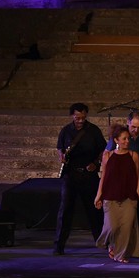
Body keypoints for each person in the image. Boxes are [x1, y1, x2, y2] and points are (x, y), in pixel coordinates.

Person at [54, 102, 106, 255]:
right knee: (65, 211)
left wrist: (95, 163)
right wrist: (61, 157)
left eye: (83, 118)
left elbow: (103, 149)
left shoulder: (93, 131)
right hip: (70, 175)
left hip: (88, 175)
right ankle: (59, 245)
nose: (80, 121)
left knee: (94, 210)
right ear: (72, 116)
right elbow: (59, 148)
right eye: (77, 118)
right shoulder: (66, 131)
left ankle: (101, 242)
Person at [94, 124, 139, 263]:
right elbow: (104, 177)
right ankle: (106, 243)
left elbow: (137, 177)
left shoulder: (133, 155)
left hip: (129, 197)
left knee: (126, 228)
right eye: (124, 139)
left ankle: (120, 255)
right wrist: (98, 195)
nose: (127, 141)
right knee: (111, 226)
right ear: (116, 140)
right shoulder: (108, 155)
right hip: (110, 196)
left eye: (128, 138)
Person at [105, 110, 139, 247]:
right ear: (128, 123)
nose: (135, 130)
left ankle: (136, 246)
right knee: (116, 218)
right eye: (133, 126)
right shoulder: (120, 136)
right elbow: (107, 156)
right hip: (118, 183)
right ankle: (116, 244)